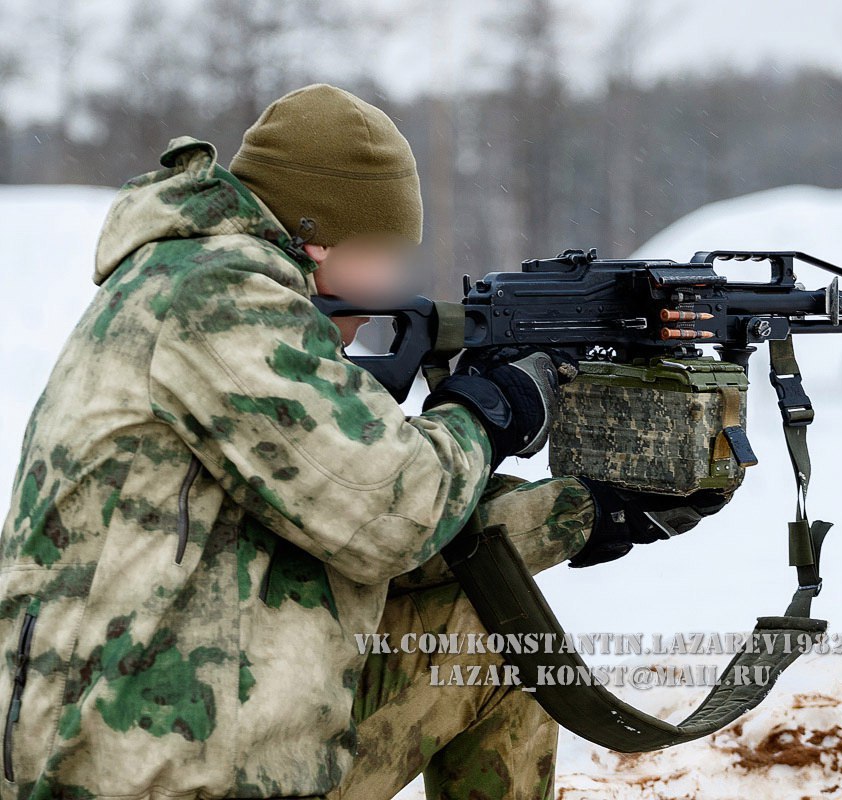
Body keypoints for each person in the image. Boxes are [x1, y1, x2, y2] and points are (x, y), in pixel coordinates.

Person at [0, 84, 726, 800]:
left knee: (500, 636)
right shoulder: (218, 298)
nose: (395, 284)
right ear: (319, 242)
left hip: (164, 734)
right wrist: (490, 411)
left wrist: (584, 513)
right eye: (385, 254)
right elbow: (392, 513)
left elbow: (359, 537)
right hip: (128, 773)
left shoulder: (197, 287)